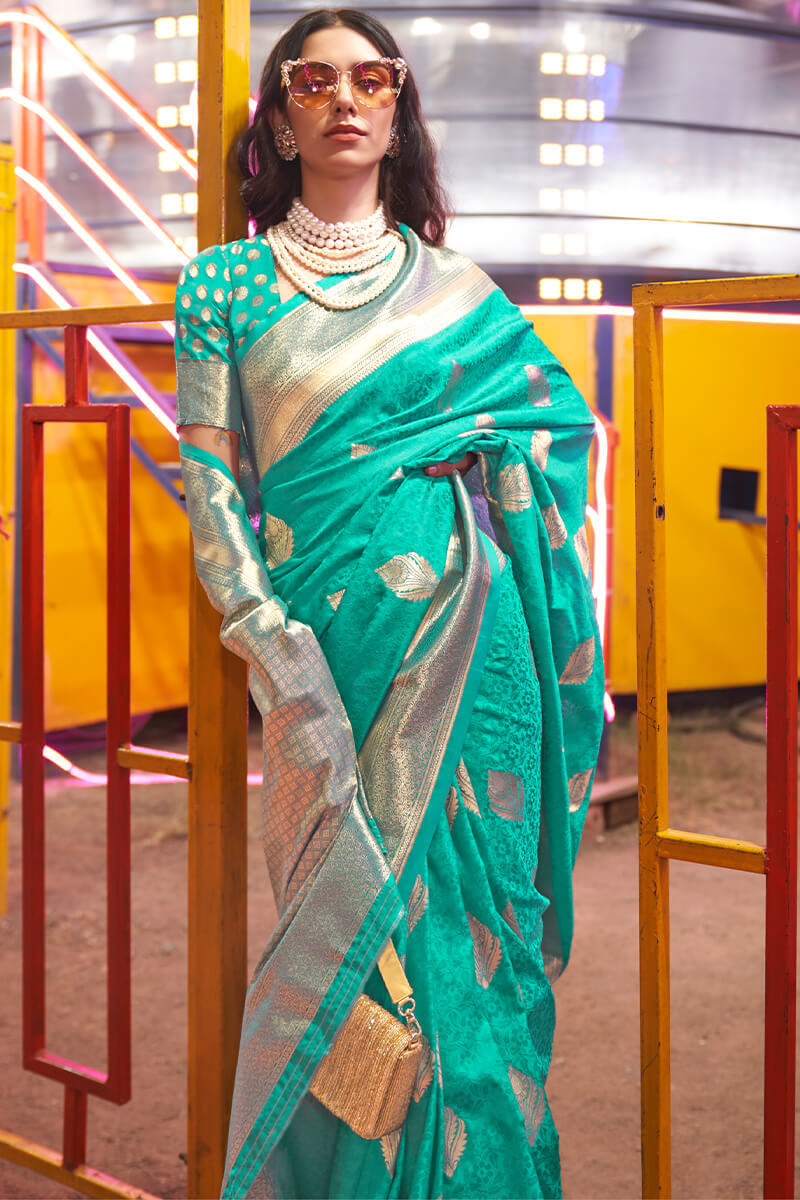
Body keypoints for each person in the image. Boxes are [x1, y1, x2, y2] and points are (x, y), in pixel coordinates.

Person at [174, 8, 604, 1198]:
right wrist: (268, 643)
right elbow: (210, 486)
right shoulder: (223, 285)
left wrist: (488, 462)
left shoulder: (457, 292)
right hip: (322, 659)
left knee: (474, 935)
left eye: (373, 79)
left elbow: (557, 437)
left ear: (400, 110)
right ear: (280, 119)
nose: (345, 100)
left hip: (474, 644)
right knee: (351, 940)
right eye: (314, 81)